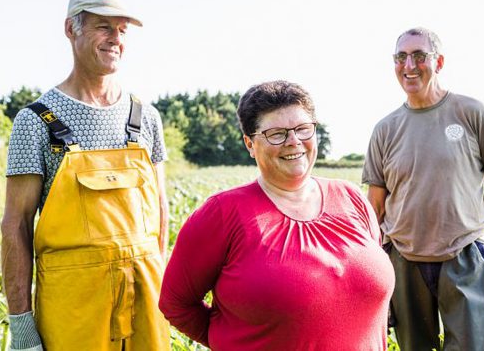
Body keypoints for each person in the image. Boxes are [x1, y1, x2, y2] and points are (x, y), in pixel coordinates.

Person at [159, 80, 395, 350]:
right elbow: (175, 303)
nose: (294, 141)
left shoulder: (353, 199)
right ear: (250, 143)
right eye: (277, 134)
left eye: (303, 129)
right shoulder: (222, 215)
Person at [0, 0, 171, 351]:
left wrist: (163, 295)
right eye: (103, 27)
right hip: (72, 311)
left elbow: (160, 212)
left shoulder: (146, 118)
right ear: (70, 30)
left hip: (144, 301)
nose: (115, 39)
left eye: (122, 31)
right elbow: (16, 224)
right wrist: (21, 325)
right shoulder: (35, 121)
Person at [362, 27, 484, 350]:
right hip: (405, 262)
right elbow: (375, 207)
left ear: (438, 61)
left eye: (419, 56)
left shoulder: (471, 112)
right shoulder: (385, 130)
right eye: (401, 57)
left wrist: (471, 225)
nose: (409, 65)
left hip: (464, 258)